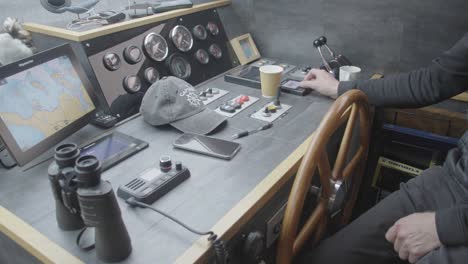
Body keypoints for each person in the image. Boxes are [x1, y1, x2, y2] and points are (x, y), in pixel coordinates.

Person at [296, 32, 468, 264]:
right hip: (454, 180)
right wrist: (342, 88)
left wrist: (447, 226)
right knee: (327, 258)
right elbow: (433, 81)